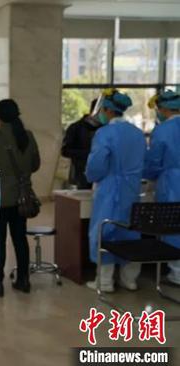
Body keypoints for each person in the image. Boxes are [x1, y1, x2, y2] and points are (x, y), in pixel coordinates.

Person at [0, 99, 40, 297]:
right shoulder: (27, 136)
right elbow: (36, 164)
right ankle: (23, 280)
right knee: (20, 239)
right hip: (22, 200)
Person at [85, 89, 146, 293]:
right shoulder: (137, 134)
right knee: (130, 232)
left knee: (104, 233)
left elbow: (96, 165)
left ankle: (104, 282)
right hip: (132, 190)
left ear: (107, 110)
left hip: (110, 190)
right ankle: (130, 280)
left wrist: (92, 177)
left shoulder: (104, 134)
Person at [144, 90, 180, 285]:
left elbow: (154, 162)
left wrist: (147, 176)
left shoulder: (163, 130)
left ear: (164, 109)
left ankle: (176, 273)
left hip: (173, 183)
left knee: (173, 224)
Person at [61, 99, 100, 189]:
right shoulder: (76, 128)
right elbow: (65, 150)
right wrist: (89, 154)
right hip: (82, 174)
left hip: (102, 176)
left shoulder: (107, 129)